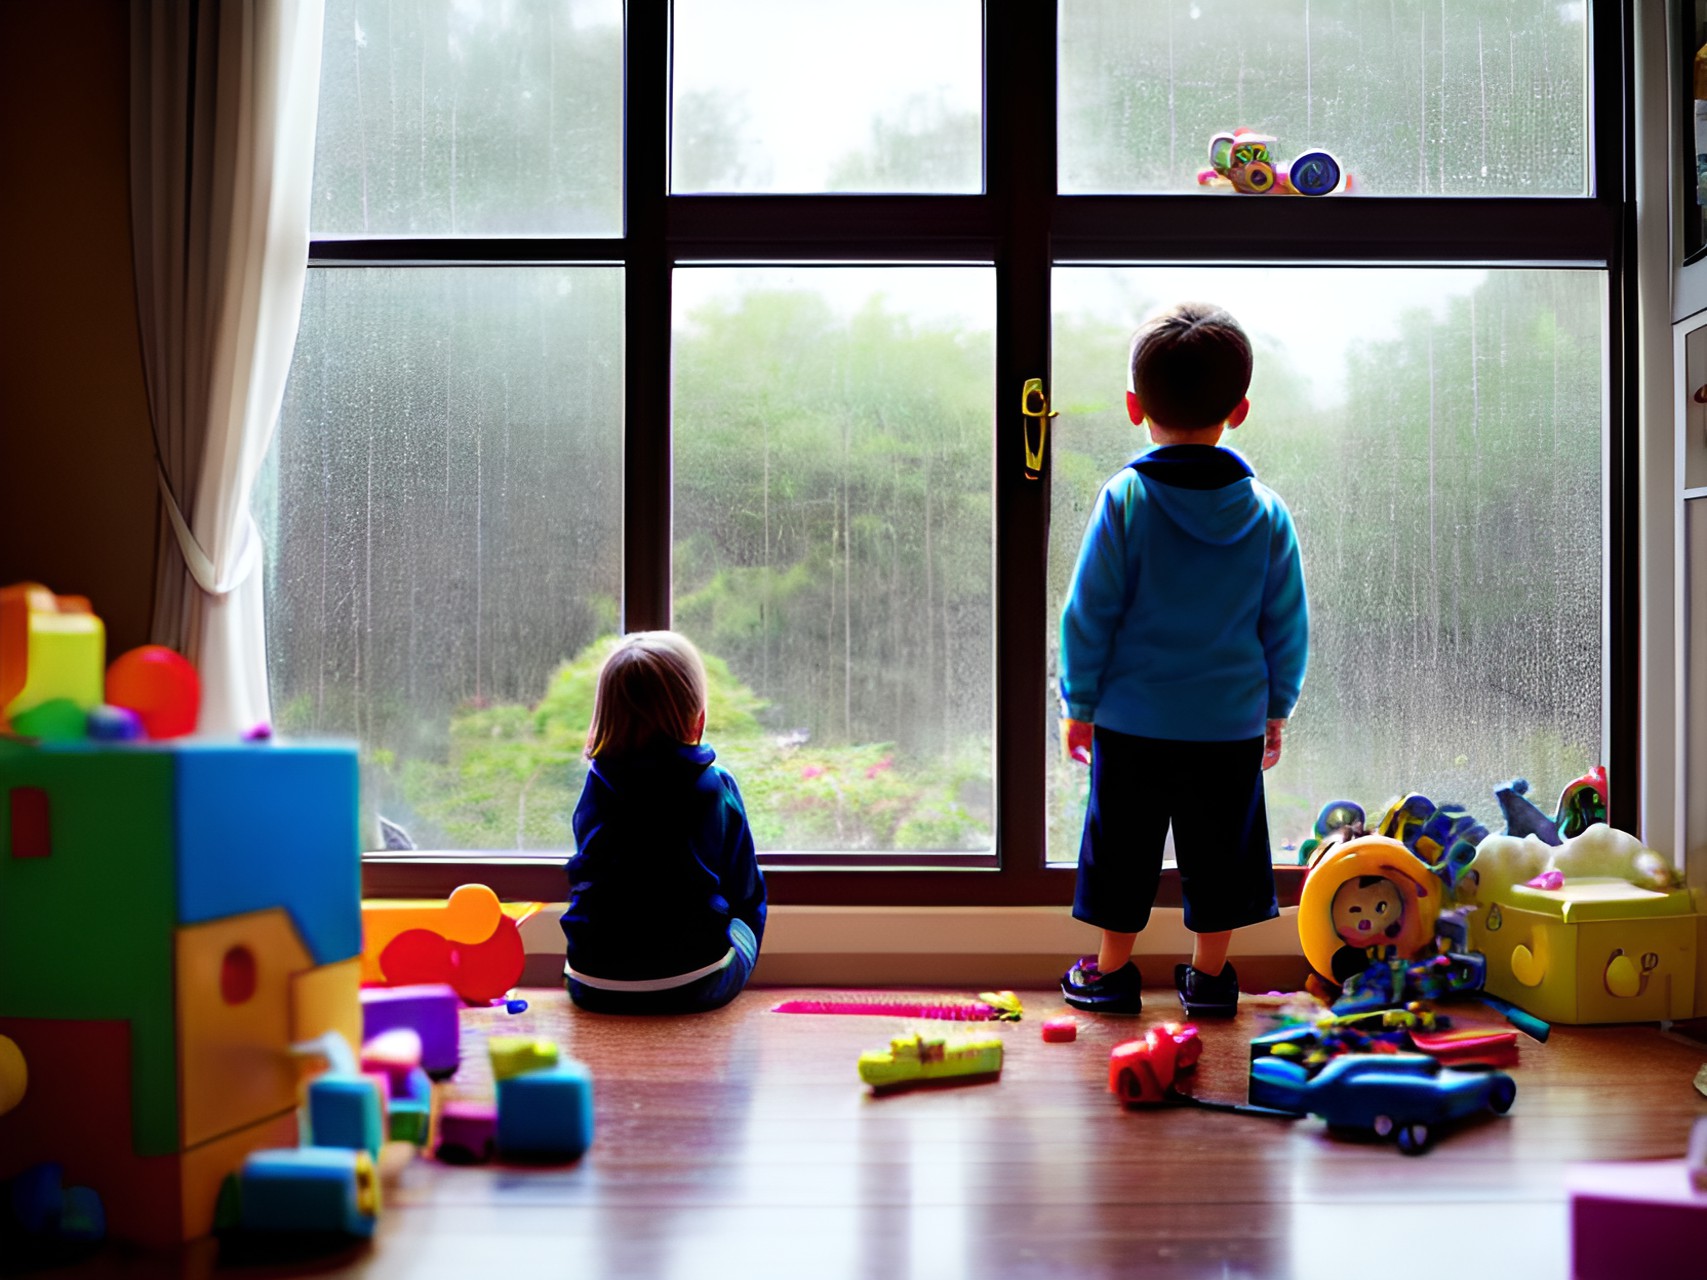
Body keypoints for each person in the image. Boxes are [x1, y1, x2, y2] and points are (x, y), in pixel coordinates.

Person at [1056, 301, 1308, 1018]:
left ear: (1135, 406)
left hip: (1132, 720)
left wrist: (1078, 704)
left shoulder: (1125, 499)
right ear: (1240, 409)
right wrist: (1274, 710)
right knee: (1221, 851)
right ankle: (1209, 978)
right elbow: (1284, 624)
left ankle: (1108, 973)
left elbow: (1088, 612)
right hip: (1226, 724)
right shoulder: (1264, 511)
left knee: (1120, 846)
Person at [561, 631, 766, 1014]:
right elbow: (745, 891)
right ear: (697, 722)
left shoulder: (595, 786)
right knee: (745, 913)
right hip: (693, 979)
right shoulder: (715, 786)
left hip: (590, 981)